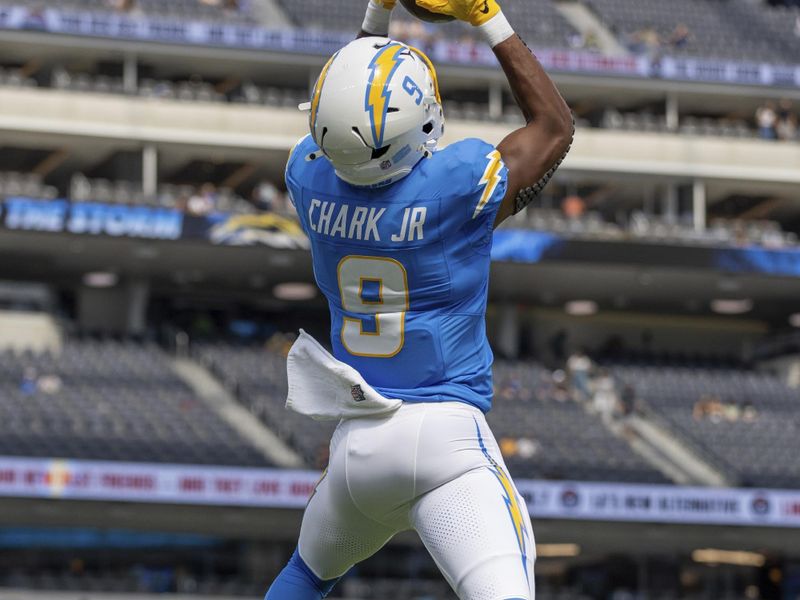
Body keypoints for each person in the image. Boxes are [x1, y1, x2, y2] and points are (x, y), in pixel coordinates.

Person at [265, 0, 574, 597]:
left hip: (358, 443)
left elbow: (344, 115)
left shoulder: (306, 177)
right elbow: (553, 127)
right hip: (445, 440)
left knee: (304, 576)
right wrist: (490, 19)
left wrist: (377, 11)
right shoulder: (454, 186)